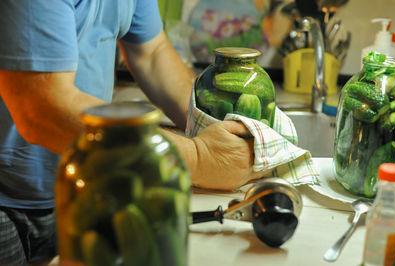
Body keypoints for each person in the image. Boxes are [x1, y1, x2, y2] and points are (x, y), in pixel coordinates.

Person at [0, 0, 256, 264]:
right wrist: (200, 156)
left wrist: (209, 124)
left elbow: (152, 53)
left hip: (84, 183)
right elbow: (41, 109)